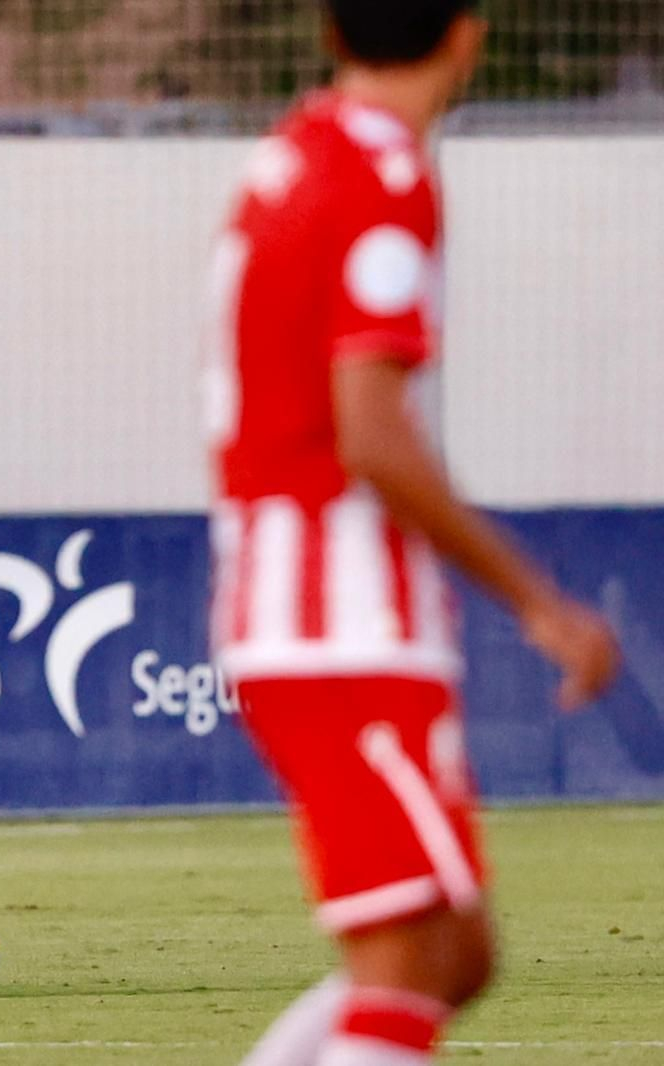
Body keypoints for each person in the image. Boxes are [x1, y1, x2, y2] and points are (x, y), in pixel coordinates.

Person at [205, 3, 620, 1063]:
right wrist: (541, 603)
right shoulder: (383, 177)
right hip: (340, 618)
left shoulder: (292, 154)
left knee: (453, 949)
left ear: (332, 32)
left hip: (294, 602)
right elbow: (373, 435)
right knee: (411, 955)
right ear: (467, 36)